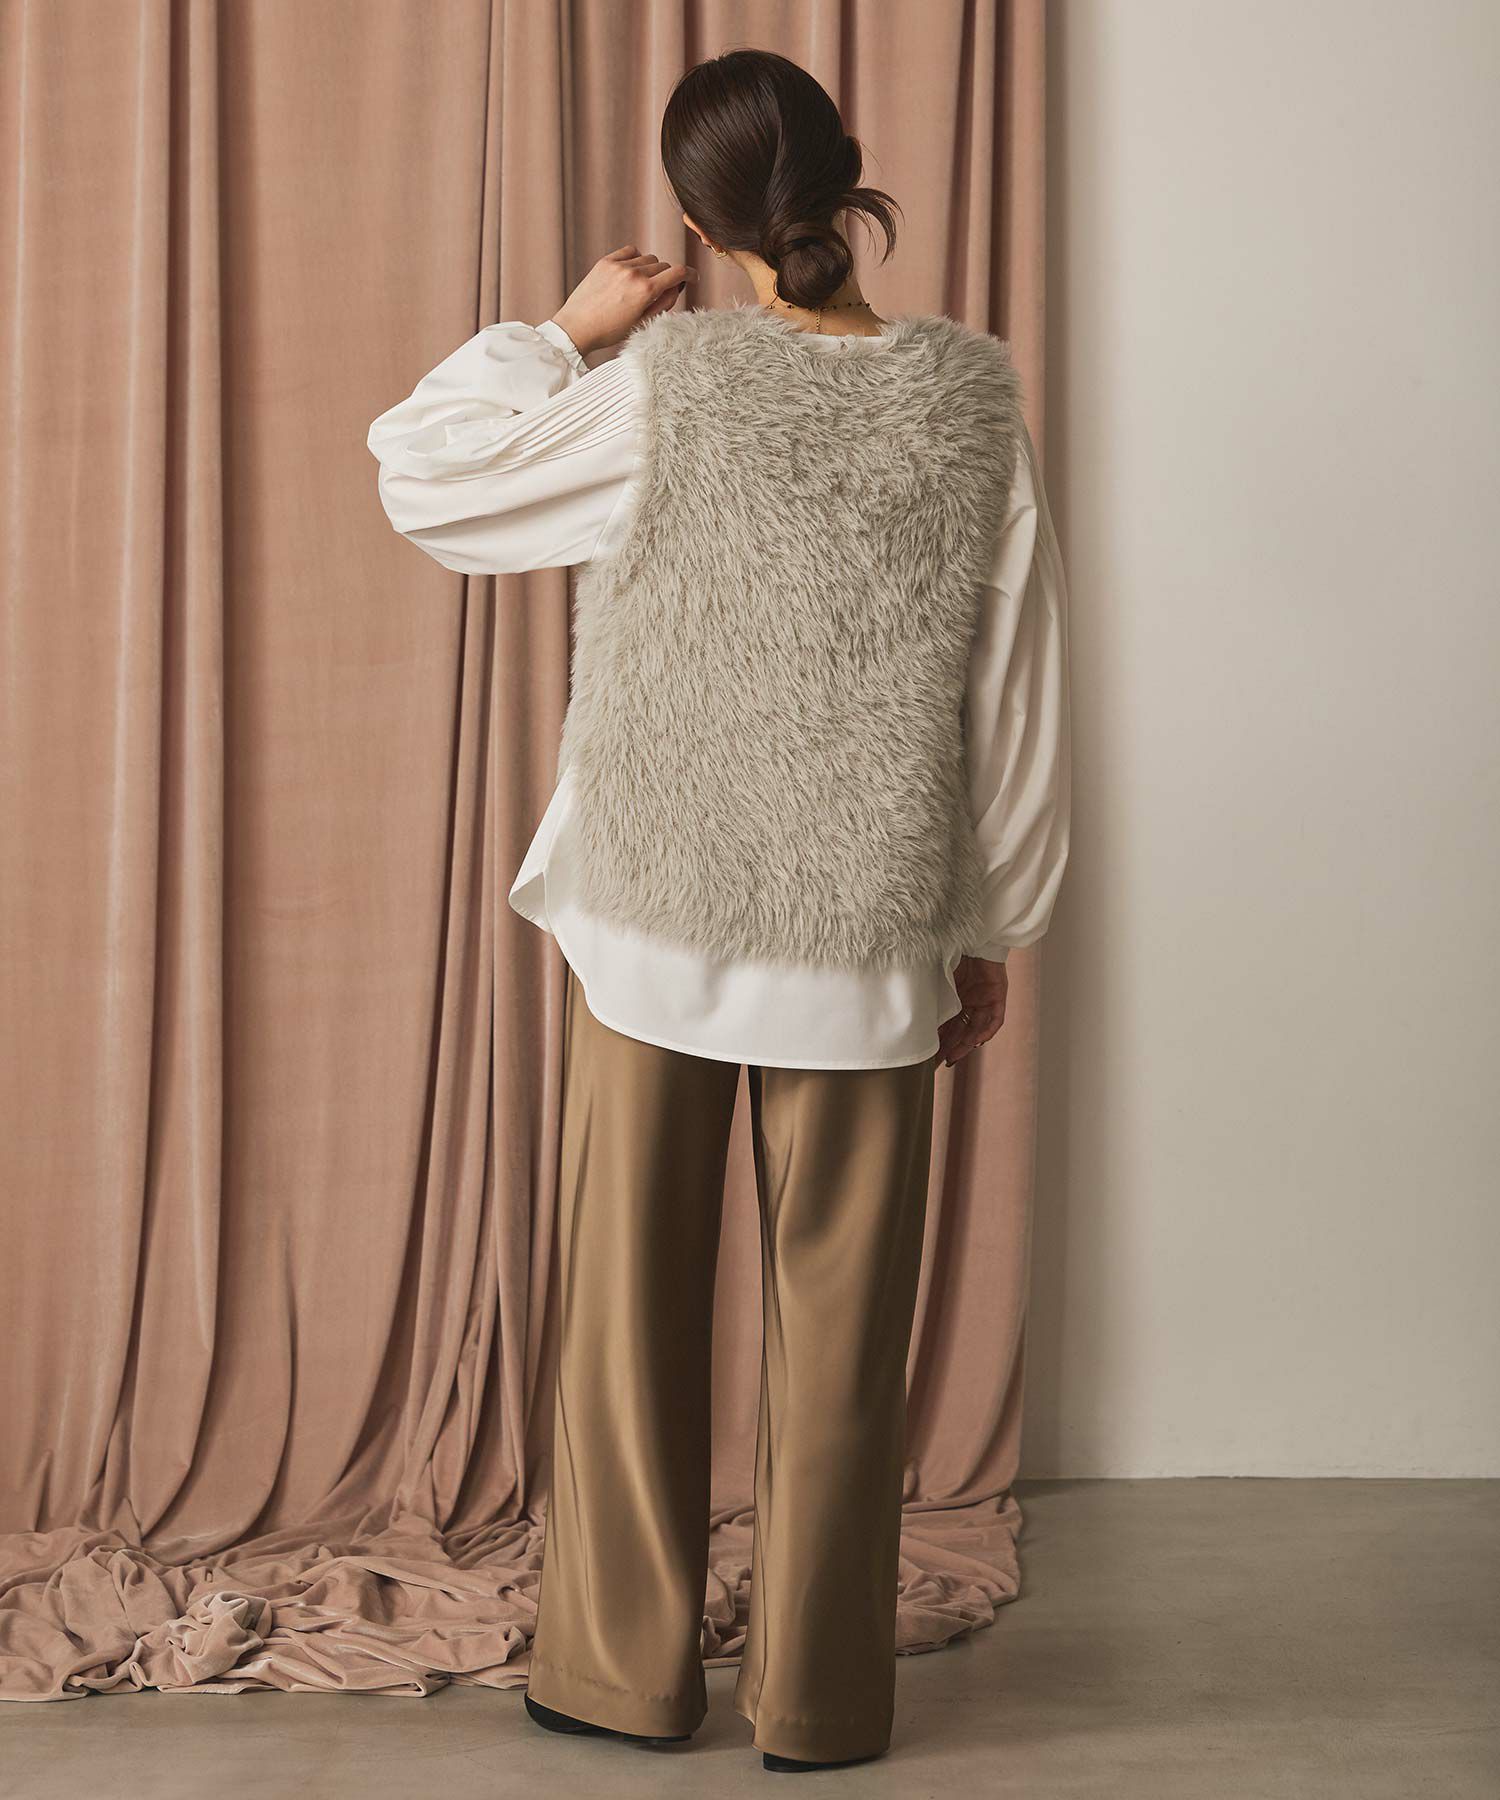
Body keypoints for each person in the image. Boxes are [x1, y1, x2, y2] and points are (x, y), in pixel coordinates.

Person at [367, 46, 1070, 1776]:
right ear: (849, 177)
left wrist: (567, 328)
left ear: (699, 222)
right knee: (843, 1347)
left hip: (656, 918)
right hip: (866, 937)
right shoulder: (971, 407)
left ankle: (619, 1674)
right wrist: (987, 925)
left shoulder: (661, 391)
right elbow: (1018, 698)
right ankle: (820, 1703)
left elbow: (426, 474)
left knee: (625, 1318)